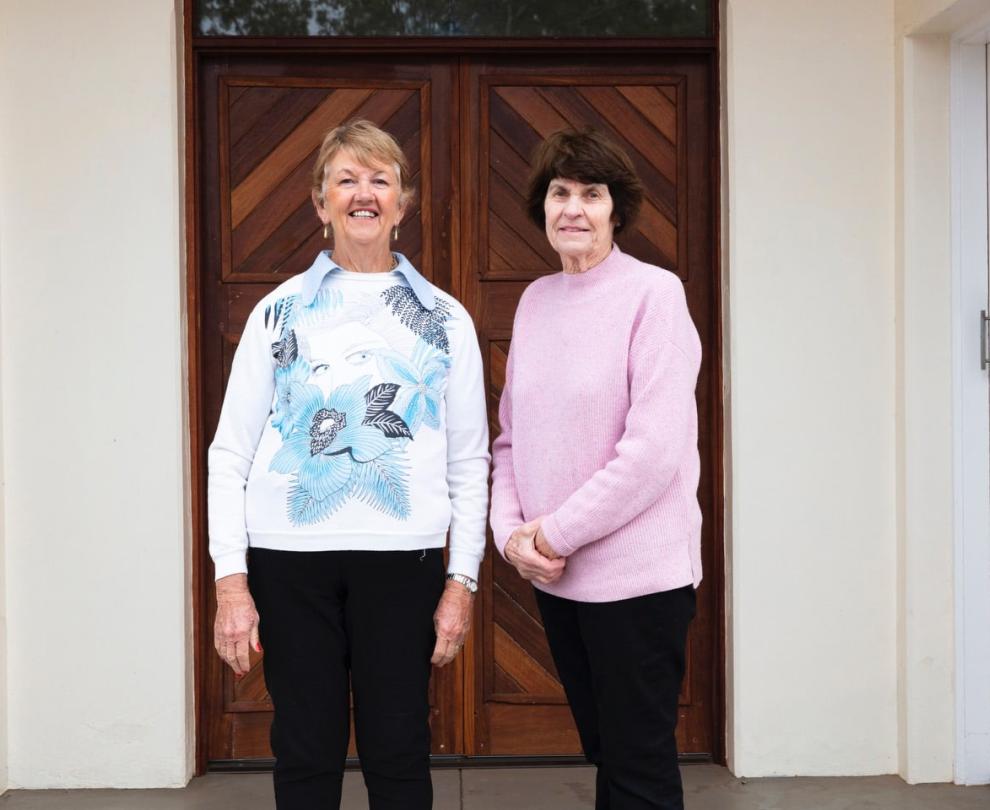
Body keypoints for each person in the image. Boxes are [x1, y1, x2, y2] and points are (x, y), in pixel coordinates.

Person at [208, 119, 490, 810]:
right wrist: (230, 584)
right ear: (319, 201)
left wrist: (463, 581)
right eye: (347, 179)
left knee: (399, 750)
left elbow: (469, 461)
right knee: (305, 749)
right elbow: (230, 453)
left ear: (403, 203)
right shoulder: (277, 314)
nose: (364, 193)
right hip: (290, 561)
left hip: (404, 562)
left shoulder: (446, 320)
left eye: (380, 180)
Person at [489, 128, 702, 810]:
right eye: (559, 192)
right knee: (607, 756)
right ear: (541, 206)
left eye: (591, 193)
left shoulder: (654, 294)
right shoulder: (536, 301)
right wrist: (512, 536)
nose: (573, 208)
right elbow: (510, 439)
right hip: (558, 582)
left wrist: (553, 535)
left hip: (638, 584)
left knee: (639, 769)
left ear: (618, 210)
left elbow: (653, 453)